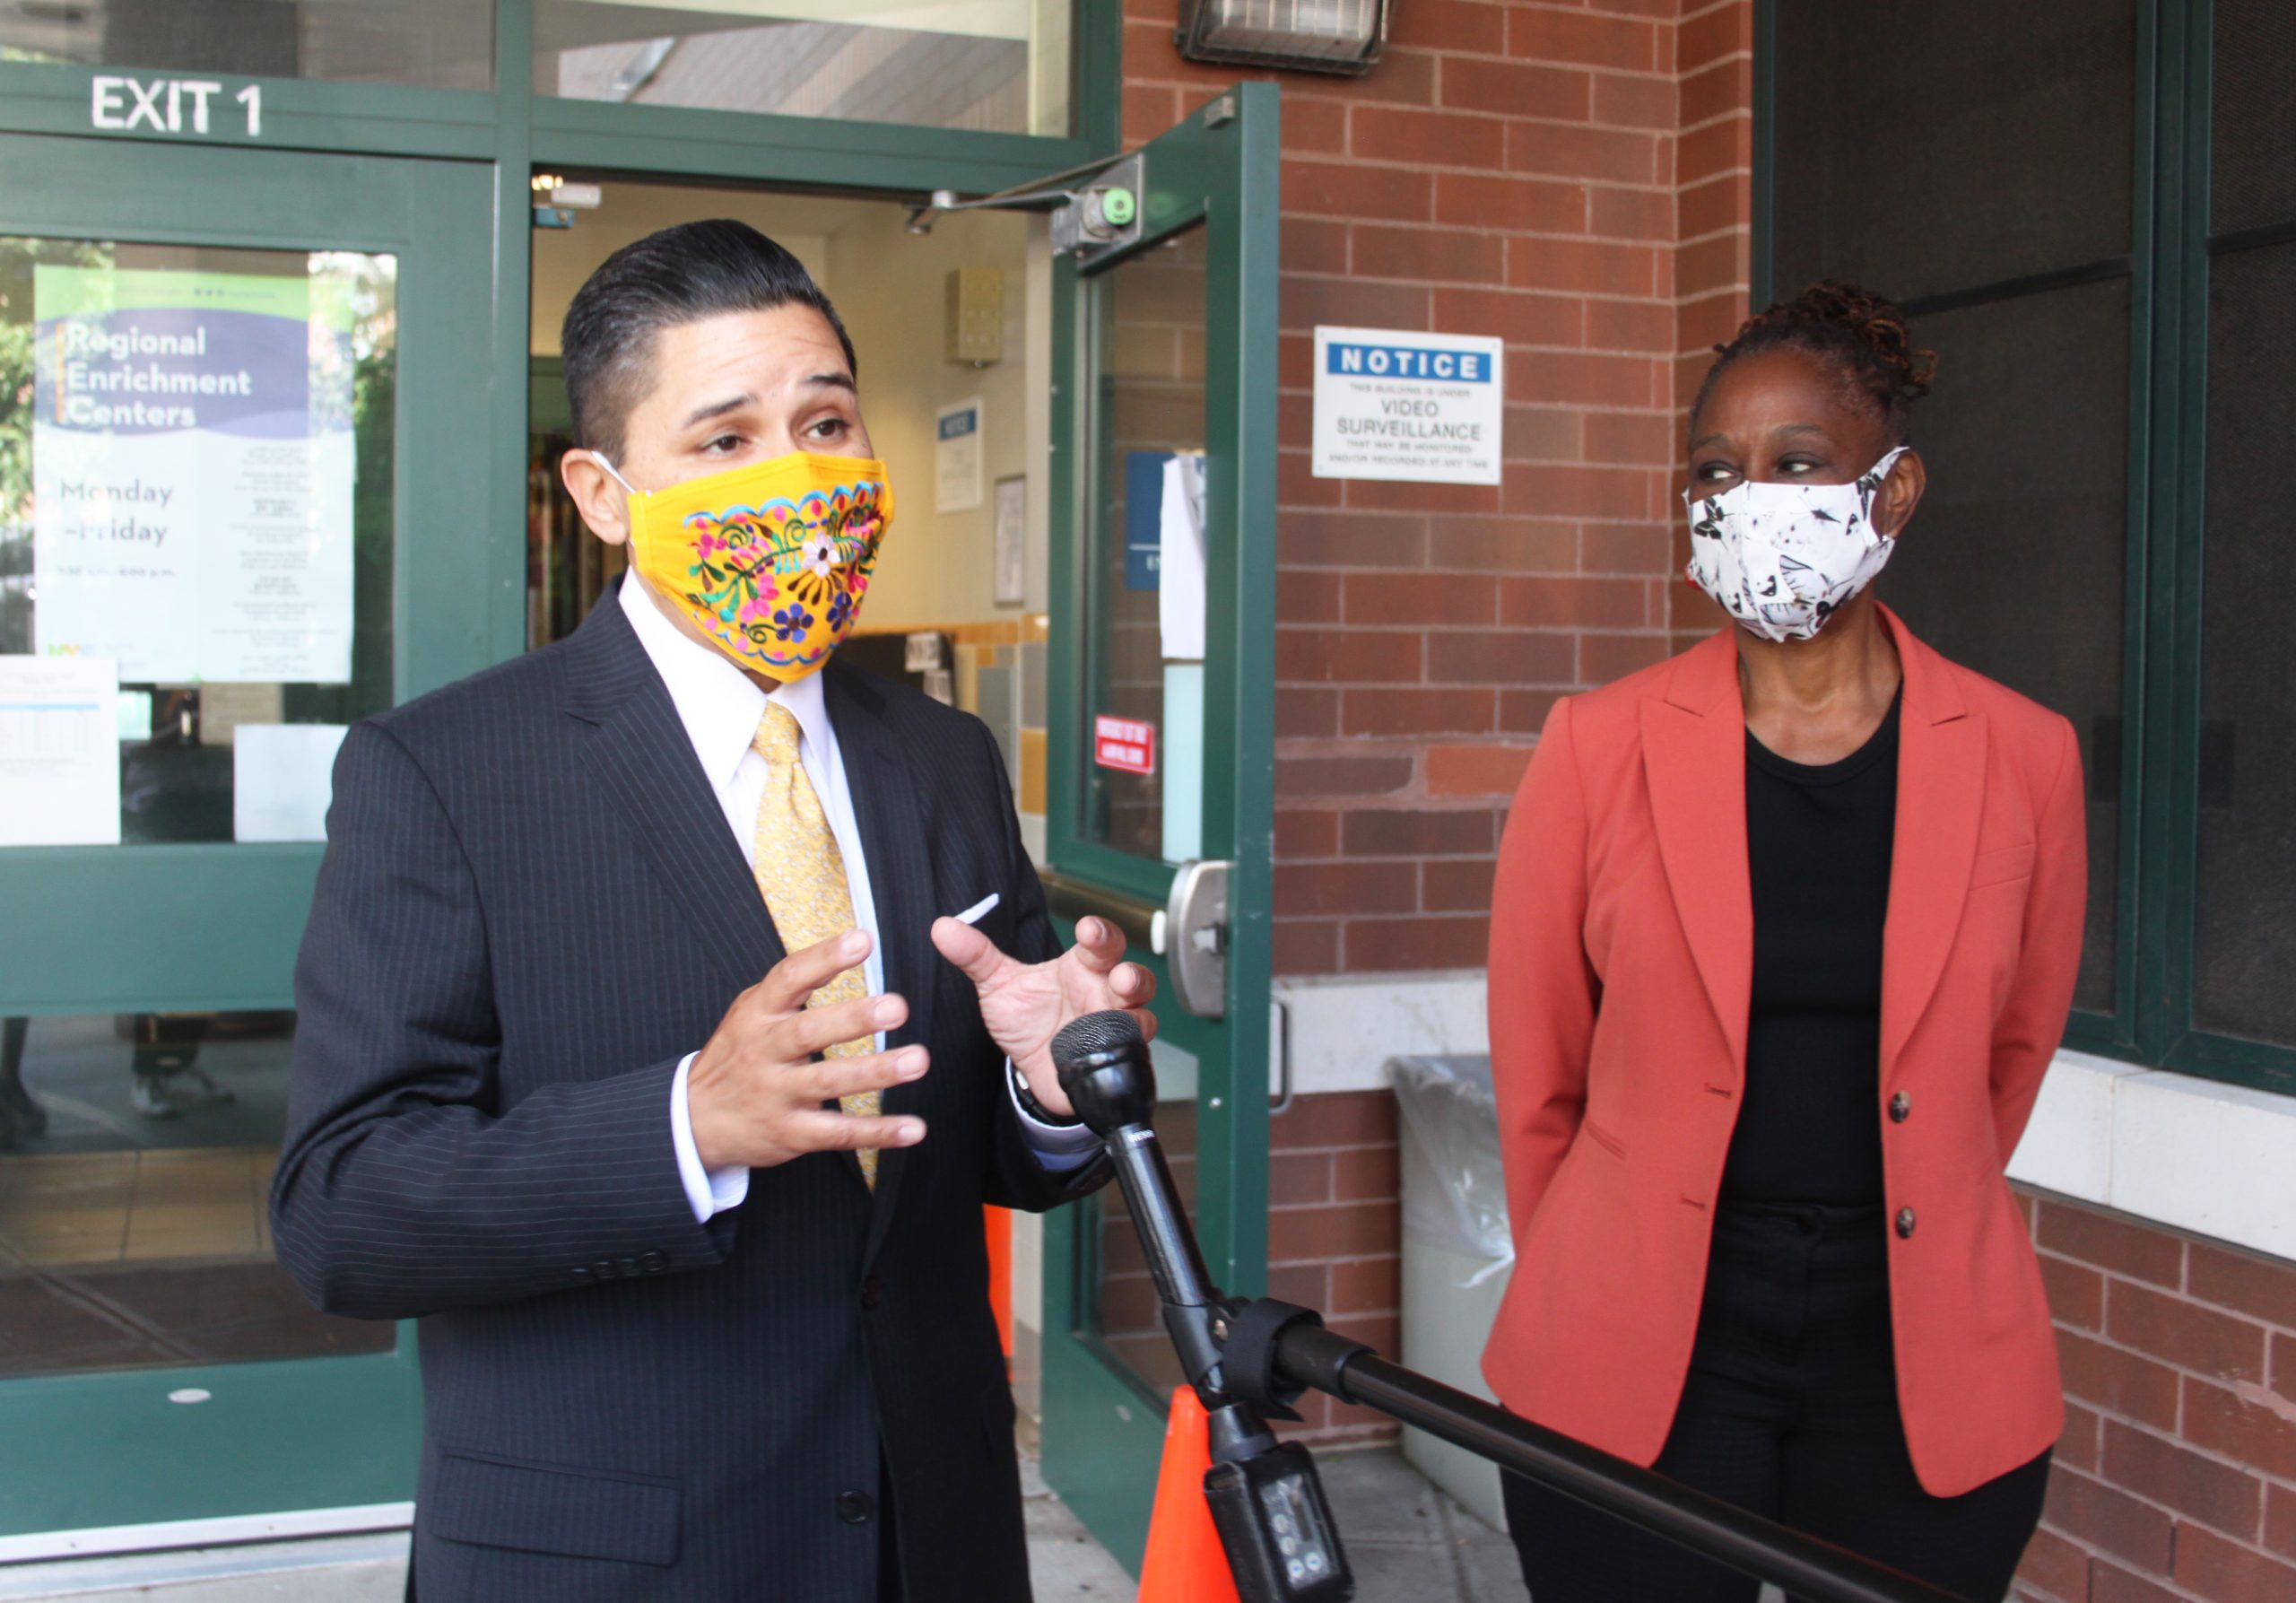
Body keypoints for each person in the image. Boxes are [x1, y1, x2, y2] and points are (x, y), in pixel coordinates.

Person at [272, 220, 1152, 1602]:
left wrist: (1051, 1090)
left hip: (936, 1537)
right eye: (727, 439)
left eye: (827, 421)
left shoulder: (940, 756)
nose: (797, 475)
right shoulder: (442, 773)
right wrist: (685, 1124)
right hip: (618, 1555)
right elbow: (342, 1211)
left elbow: (971, 1161)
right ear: (605, 492)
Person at [1481, 283, 2085, 1601]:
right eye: (1717, 470)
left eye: (1797, 464)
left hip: (1913, 1341)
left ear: (1894, 492)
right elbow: (1540, 1080)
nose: (1750, 498)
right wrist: (1605, 1262)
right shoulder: (1598, 746)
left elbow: (2013, 1054)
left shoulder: (2025, 757)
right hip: (1647, 1334)